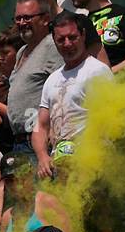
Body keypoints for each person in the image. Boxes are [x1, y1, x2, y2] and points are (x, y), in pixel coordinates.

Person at [30, 13, 113, 179]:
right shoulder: (52, 79)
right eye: (61, 40)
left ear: (83, 36)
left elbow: (109, 122)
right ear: (54, 41)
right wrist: (42, 157)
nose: (67, 44)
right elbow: (41, 126)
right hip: (59, 167)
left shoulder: (98, 71)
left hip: (90, 166)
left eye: (72, 37)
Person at [5, 0, 64, 158]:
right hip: (20, 141)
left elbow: (61, 89)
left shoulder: (52, 46)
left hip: (39, 141)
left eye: (27, 18)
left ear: (45, 19)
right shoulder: (22, 51)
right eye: (18, 18)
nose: (22, 23)